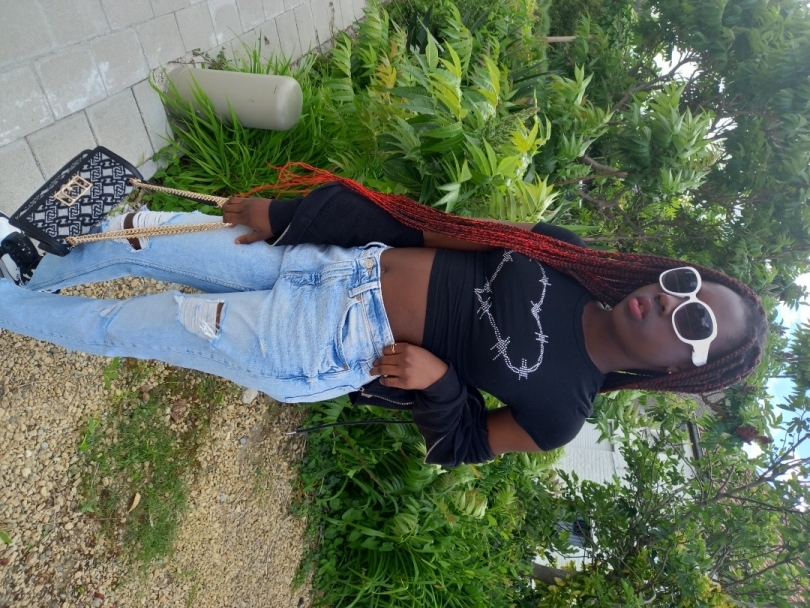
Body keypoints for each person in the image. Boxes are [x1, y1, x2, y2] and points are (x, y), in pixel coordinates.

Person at [0, 172, 767, 467]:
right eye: (687, 286)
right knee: (146, 233)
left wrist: (439, 384)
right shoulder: (565, 253)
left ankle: (8, 302)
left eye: (694, 323)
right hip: (331, 263)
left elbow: (463, 443)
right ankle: (27, 264)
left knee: (131, 324)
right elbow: (426, 230)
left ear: (678, 368)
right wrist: (293, 217)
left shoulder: (561, 413)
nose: (674, 302)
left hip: (318, 343)